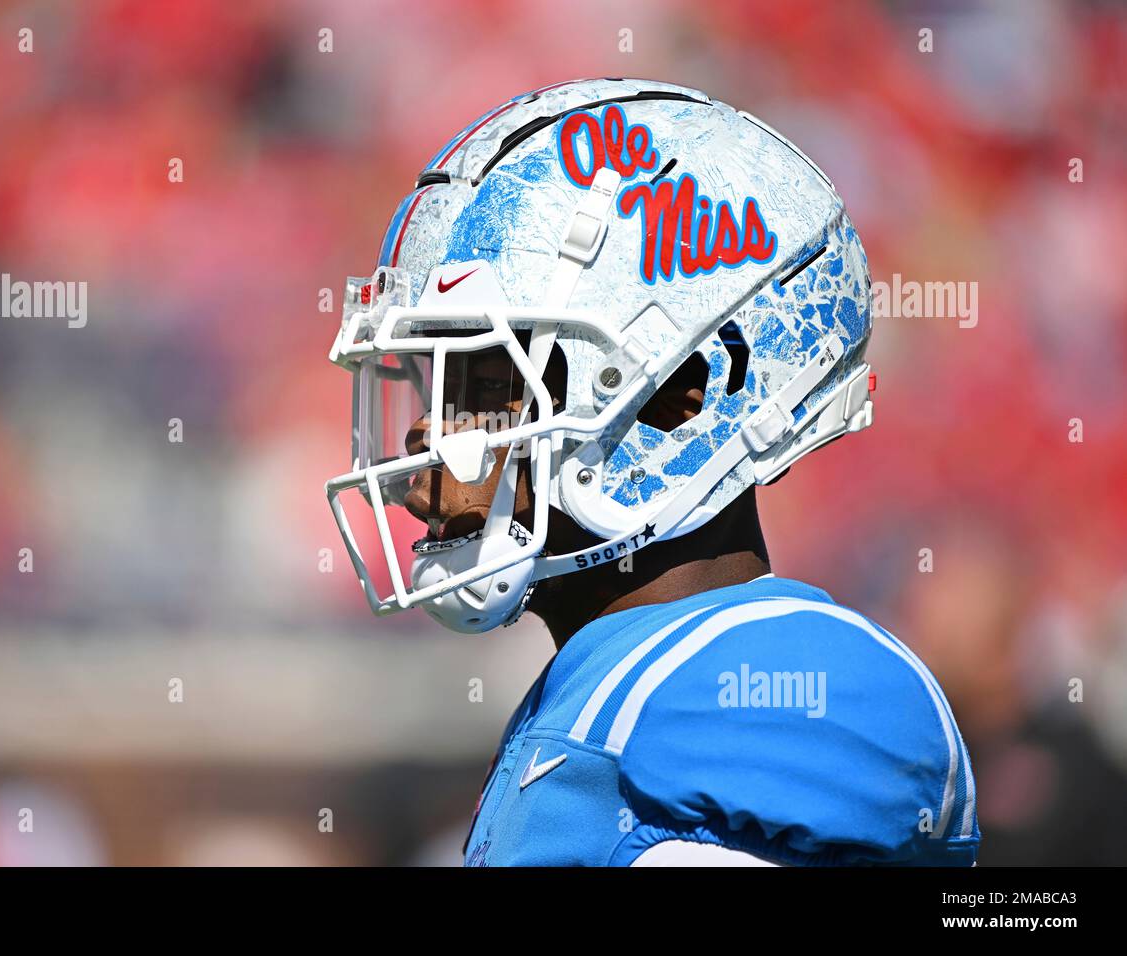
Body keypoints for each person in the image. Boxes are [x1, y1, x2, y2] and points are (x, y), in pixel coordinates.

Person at [325, 78, 978, 866]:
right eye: (437, 387)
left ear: (678, 398)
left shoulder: (772, 692)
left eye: (491, 385)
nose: (425, 445)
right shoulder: (614, 679)